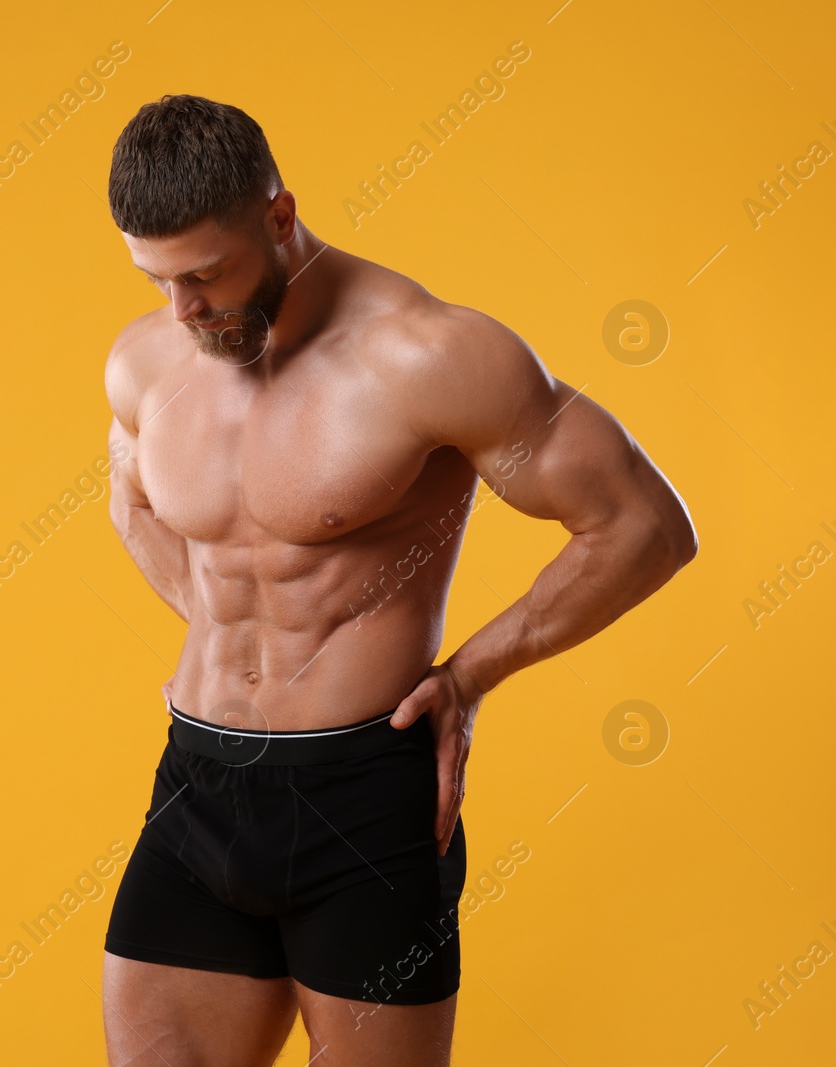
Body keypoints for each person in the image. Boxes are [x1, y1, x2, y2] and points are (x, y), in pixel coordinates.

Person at [98, 94, 697, 1066]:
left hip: (361, 798)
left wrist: (468, 675)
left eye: (205, 274)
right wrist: (229, 638)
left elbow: (641, 527)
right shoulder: (144, 360)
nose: (182, 310)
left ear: (280, 218)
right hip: (197, 784)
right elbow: (130, 502)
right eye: (157, 278)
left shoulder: (428, 355)